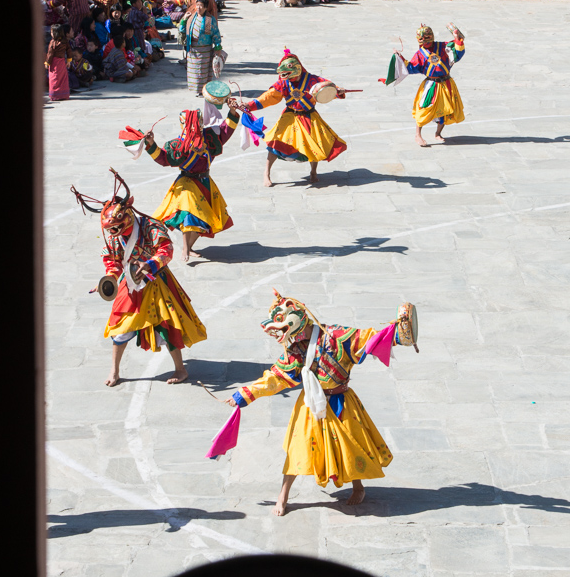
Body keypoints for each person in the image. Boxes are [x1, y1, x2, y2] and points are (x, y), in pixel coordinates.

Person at [211, 292, 418, 514]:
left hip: (342, 402)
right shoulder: (296, 350)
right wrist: (244, 394)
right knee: (297, 450)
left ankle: (358, 487)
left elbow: (369, 339)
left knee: (351, 446)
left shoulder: (337, 336)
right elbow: (276, 377)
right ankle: (283, 495)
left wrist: (398, 333)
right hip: (310, 404)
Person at [72, 173, 206, 387]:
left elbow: (166, 249)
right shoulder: (114, 236)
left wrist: (151, 264)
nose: (113, 232)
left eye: (115, 227)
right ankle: (114, 370)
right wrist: (110, 278)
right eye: (110, 229)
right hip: (130, 283)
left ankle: (181, 370)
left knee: (167, 324)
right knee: (120, 325)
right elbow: (113, 260)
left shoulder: (150, 226)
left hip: (157, 281)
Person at [141, 106, 239, 265]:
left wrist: (233, 113)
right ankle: (185, 248)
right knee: (189, 216)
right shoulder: (178, 145)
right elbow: (164, 159)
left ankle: (188, 247)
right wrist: (151, 143)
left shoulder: (209, 138)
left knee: (205, 219)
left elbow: (225, 132)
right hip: (186, 184)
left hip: (205, 182)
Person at [241, 48, 348, 187]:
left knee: (314, 144)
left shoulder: (313, 80)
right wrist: (250, 105)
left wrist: (338, 91)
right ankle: (266, 173)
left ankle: (313, 172)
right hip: (290, 115)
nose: (285, 76)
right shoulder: (283, 82)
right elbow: (269, 97)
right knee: (276, 142)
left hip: (309, 116)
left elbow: (327, 88)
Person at [387, 23, 466, 148]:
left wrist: (457, 38)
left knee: (445, 110)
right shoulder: (420, 54)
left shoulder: (443, 46)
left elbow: (457, 55)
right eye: (422, 39)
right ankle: (418, 135)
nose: (425, 41)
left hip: (446, 83)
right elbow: (411, 67)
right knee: (424, 108)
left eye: (427, 38)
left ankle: (438, 133)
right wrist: (399, 57)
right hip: (431, 84)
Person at [182, 0, 222, 92]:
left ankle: (203, 90)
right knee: (194, 71)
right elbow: (181, 30)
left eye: (201, 6)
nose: (198, 8)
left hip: (205, 50)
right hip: (192, 49)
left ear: (205, 8)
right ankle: (195, 89)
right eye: (197, 5)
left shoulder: (210, 19)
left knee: (203, 71)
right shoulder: (191, 18)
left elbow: (216, 34)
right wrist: (183, 20)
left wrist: (217, 47)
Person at [45, 24, 70, 101]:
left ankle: (55, 95)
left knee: (54, 78)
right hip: (62, 62)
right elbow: (69, 51)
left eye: (52, 32)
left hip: (54, 63)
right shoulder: (65, 41)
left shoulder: (53, 42)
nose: (50, 33)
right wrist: (69, 61)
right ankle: (63, 95)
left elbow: (50, 54)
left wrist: (47, 63)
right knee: (62, 78)